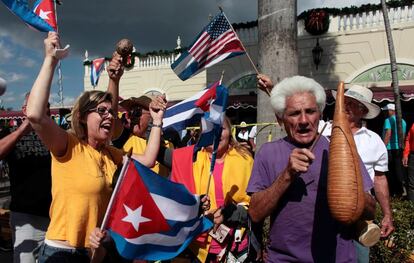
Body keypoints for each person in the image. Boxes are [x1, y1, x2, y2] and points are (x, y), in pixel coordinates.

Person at [25, 32, 167, 262]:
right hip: (62, 254)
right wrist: (50, 59)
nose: (109, 116)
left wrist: (157, 120)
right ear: (81, 117)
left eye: (111, 112)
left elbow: (150, 159)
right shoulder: (68, 146)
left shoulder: (111, 154)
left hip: (96, 255)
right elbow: (35, 115)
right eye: (100, 112)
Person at [247, 76, 376, 262]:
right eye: (294, 113)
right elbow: (255, 213)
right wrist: (287, 175)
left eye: (310, 111)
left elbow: (371, 210)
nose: (304, 120)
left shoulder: (341, 150)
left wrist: (351, 192)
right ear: (280, 119)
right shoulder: (267, 153)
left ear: (320, 114)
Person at [170, 117, 255, 262]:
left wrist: (229, 214)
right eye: (210, 129)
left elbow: (256, 206)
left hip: (236, 245)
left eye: (222, 129)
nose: (217, 134)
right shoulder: (191, 160)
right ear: (202, 134)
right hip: (198, 247)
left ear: (230, 131)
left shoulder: (246, 160)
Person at [332, 85, 394, 262]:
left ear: (363, 111)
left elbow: (380, 178)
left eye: (352, 103)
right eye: (345, 101)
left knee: (358, 258)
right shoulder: (324, 132)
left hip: (360, 216)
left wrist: (387, 215)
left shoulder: (373, 140)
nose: (346, 106)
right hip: (325, 213)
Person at [0, 93, 51, 263]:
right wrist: (23, 129)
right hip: (26, 216)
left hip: (56, 214)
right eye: (36, 103)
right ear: (24, 110)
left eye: (46, 104)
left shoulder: (56, 134)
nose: (42, 108)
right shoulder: (11, 132)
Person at [120, 96, 171, 177]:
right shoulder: (123, 137)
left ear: (151, 114)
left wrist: (156, 120)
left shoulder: (167, 144)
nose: (131, 117)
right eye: (129, 113)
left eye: (136, 112)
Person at [382, 103, 407, 197]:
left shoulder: (388, 120)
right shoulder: (402, 121)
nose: (385, 113)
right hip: (399, 149)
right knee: (398, 169)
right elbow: (403, 135)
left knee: (390, 170)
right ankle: (401, 190)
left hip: (390, 149)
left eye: (386, 111)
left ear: (391, 111)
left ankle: (393, 191)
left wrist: (383, 146)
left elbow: (388, 133)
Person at [403, 122, 414, 201]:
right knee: (411, 183)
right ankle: (411, 206)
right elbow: (408, 139)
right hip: (413, 155)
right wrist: (406, 154)